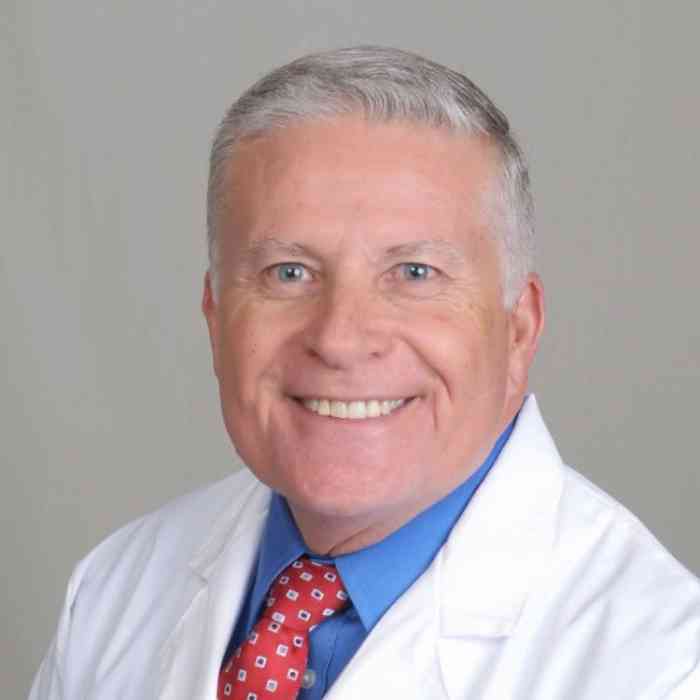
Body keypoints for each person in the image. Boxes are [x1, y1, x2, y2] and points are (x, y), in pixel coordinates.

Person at [30, 46, 700, 700]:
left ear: (518, 328)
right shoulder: (114, 592)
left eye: (414, 273)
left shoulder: (664, 667)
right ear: (215, 314)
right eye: (289, 272)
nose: (340, 339)